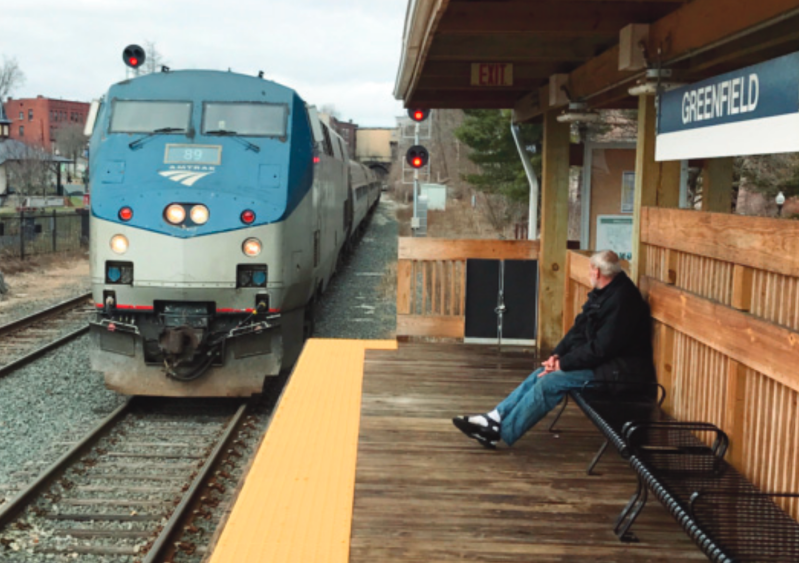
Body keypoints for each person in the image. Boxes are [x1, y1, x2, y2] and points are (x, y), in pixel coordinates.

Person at [453, 250, 655, 449]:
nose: (589, 273)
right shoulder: (604, 293)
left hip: (619, 373)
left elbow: (601, 349)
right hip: (604, 365)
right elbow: (578, 329)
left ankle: (501, 432)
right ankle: (494, 418)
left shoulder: (623, 301)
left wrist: (563, 364)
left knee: (550, 382)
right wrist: (556, 355)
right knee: (541, 372)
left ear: (597, 272)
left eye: (589, 269)